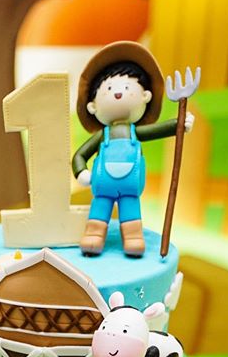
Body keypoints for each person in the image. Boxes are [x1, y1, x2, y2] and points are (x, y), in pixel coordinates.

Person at [72, 41, 194, 257]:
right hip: (102, 187)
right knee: (99, 209)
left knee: (130, 212)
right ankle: (94, 234)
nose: (118, 93)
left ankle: (133, 237)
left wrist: (179, 125)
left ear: (146, 96)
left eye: (127, 88)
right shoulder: (103, 135)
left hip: (130, 187)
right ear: (92, 106)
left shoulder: (135, 133)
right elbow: (80, 154)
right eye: (109, 89)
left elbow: (158, 130)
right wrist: (81, 172)